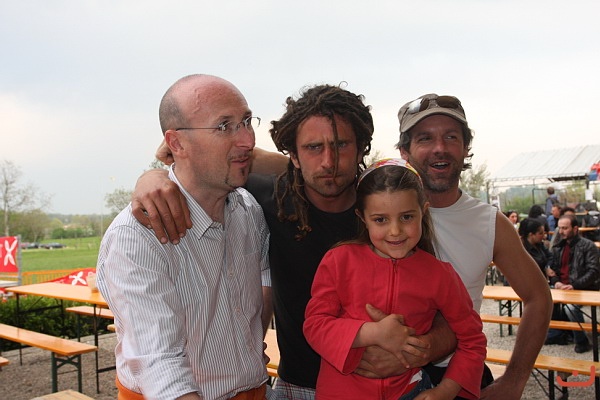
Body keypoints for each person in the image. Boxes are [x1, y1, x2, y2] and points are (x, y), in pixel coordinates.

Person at [132, 91, 553, 400]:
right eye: (314, 149)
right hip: (297, 386)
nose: (329, 161)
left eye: (341, 146)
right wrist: (154, 177)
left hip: (402, 385)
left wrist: (417, 351)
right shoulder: (269, 198)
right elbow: (222, 163)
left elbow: (453, 311)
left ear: (361, 149)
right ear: (295, 155)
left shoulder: (387, 213)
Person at [97, 74, 273, 400]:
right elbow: (159, 366)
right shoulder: (137, 235)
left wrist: (248, 347)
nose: (248, 140)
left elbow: (264, 275)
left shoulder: (248, 210)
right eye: (224, 126)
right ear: (176, 143)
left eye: (247, 122)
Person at [395, 93, 552, 399]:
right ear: (405, 151)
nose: (440, 148)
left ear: (466, 147)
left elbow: (538, 297)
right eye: (425, 138)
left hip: (462, 377)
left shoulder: (489, 222)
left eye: (451, 137)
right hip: (391, 381)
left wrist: (514, 381)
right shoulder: (379, 215)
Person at [303, 159, 486, 400]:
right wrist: (374, 333)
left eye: (406, 217)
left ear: (423, 211)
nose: (395, 231)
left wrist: (446, 390)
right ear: (362, 217)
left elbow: (473, 340)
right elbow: (314, 325)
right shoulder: (339, 261)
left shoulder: (440, 274)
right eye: (381, 219)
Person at [545, 214, 600, 353]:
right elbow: (553, 270)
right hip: (562, 287)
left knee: (570, 307)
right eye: (559, 228)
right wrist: (556, 282)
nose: (561, 231)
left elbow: (593, 271)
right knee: (541, 299)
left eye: (565, 228)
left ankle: (582, 341)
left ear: (575, 229)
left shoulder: (588, 246)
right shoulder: (558, 247)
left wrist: (574, 285)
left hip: (584, 287)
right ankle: (556, 334)